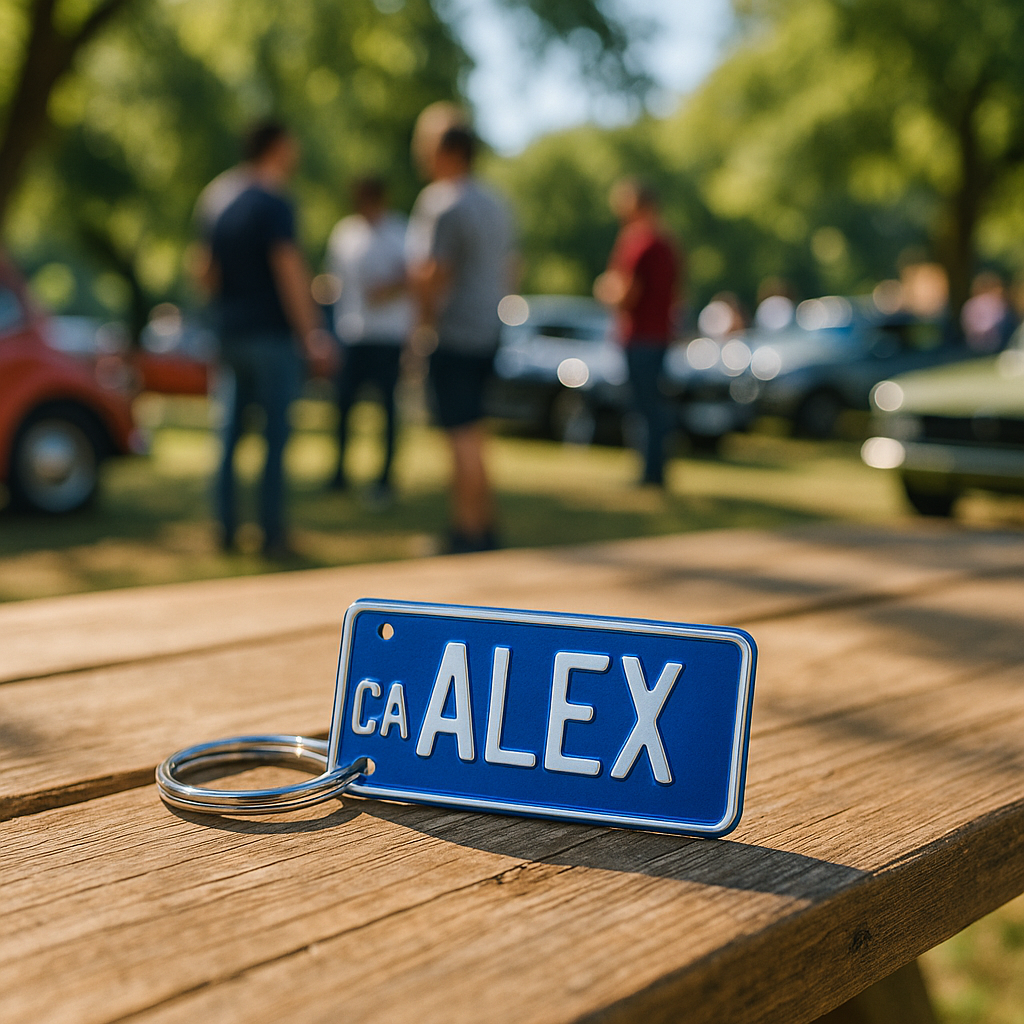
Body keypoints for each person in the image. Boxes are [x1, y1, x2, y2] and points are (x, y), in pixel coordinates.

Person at [204, 120, 336, 556]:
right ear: (276, 147)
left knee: (228, 435)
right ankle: (271, 534)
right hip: (272, 337)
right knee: (274, 436)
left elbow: (205, 271)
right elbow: (289, 271)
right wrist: (313, 333)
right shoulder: (274, 201)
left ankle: (224, 530)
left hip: (229, 333)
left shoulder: (217, 198)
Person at [406, 122, 513, 553]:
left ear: (446, 152)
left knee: (460, 435)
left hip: (454, 334)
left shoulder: (442, 203)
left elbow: (434, 273)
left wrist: (422, 327)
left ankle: (467, 533)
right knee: (475, 431)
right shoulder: (495, 203)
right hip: (488, 330)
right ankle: (482, 526)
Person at [325, 177, 413, 501]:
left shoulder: (399, 231)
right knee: (343, 405)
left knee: (387, 409)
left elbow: (414, 276)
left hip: (388, 335)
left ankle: (385, 476)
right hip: (351, 332)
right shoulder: (345, 233)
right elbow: (334, 280)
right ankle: (339, 472)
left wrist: (387, 290)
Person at [595, 177, 682, 487]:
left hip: (640, 336)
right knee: (654, 406)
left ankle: (649, 474)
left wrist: (605, 291)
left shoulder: (639, 243)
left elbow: (626, 294)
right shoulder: (668, 243)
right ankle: (654, 472)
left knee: (643, 408)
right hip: (660, 336)